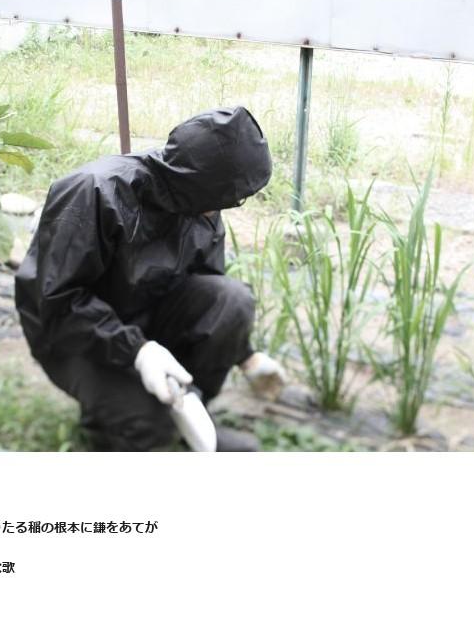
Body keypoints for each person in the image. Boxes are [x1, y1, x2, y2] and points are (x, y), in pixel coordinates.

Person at [15, 107, 286, 451]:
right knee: (149, 425)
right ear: (201, 184)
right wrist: (138, 351)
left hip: (145, 317)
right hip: (73, 337)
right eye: (232, 197)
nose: (230, 206)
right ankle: (118, 422)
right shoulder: (96, 192)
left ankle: (189, 405)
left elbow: (206, 286)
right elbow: (57, 302)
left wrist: (246, 356)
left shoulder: (199, 202)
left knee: (232, 300)